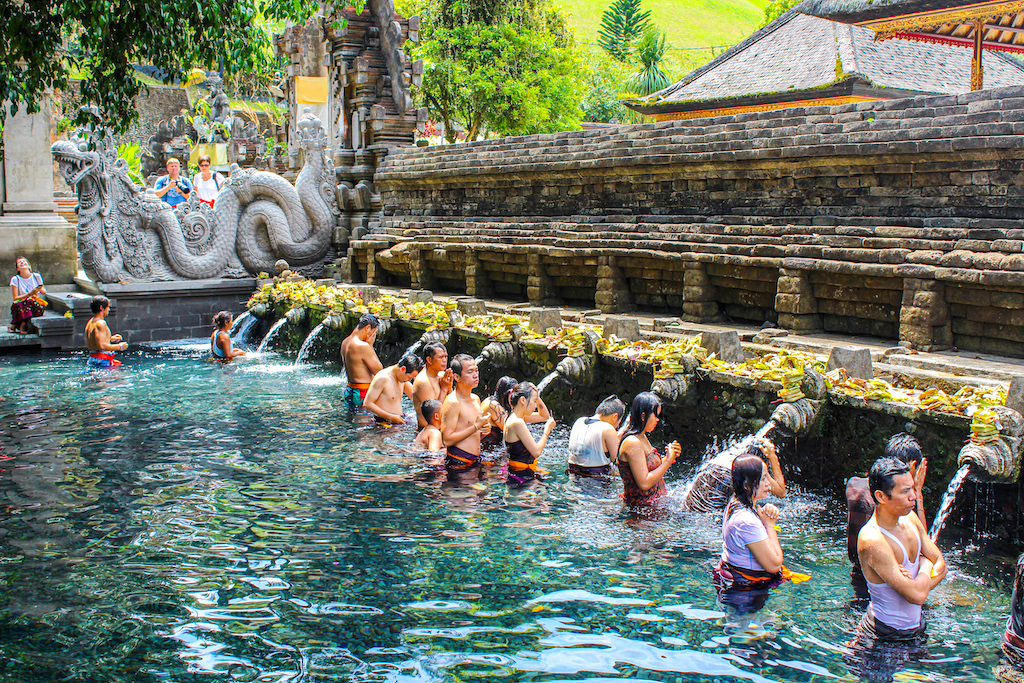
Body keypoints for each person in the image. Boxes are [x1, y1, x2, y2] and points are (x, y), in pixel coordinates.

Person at [848, 457, 946, 681]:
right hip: (882, 637)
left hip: (916, 629)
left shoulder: (910, 517)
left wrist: (920, 577)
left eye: (913, 488)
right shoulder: (872, 538)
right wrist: (925, 564)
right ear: (881, 496)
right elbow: (918, 593)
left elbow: (941, 564)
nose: (914, 496)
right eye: (905, 492)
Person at [848, 433, 928, 596]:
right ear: (912, 466)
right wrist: (917, 490)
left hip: (859, 573)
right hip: (887, 580)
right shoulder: (893, 504)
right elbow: (923, 545)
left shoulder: (854, 485)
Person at [713, 454, 786, 600]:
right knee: (748, 623)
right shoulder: (746, 521)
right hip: (745, 592)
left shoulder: (735, 503)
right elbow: (774, 565)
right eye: (763, 478)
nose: (769, 484)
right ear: (747, 484)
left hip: (737, 583)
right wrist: (770, 525)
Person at [683, 437, 785, 513]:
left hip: (689, 510)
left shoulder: (720, 462)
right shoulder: (749, 470)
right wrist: (772, 457)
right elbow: (781, 492)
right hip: (715, 518)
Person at [617, 392, 681, 508]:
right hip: (641, 511)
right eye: (656, 415)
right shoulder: (632, 442)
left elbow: (649, 468)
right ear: (643, 416)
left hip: (655, 505)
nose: (658, 420)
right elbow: (644, 483)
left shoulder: (643, 437)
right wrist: (668, 460)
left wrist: (670, 457)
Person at [440, 354, 490, 476]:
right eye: (470, 372)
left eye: (476, 370)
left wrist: (483, 431)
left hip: (475, 460)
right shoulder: (453, 402)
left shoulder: (476, 399)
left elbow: (472, 434)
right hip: (459, 462)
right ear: (456, 377)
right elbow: (446, 439)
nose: (475, 375)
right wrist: (476, 427)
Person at [504, 382, 556, 486]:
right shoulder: (517, 423)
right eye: (534, 401)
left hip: (521, 471)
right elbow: (536, 451)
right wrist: (547, 430)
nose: (536, 406)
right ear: (522, 400)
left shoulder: (515, 417)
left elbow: (544, 416)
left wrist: (537, 396)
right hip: (521, 475)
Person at [567, 395, 625, 477]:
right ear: (615, 416)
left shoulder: (579, 421)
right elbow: (617, 461)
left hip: (573, 475)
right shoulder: (607, 429)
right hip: (596, 481)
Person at [363, 354, 423, 425]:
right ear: (402, 369)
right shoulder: (382, 378)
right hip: (383, 422)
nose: (409, 380)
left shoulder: (402, 378)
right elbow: (367, 404)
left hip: (399, 419)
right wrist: (390, 417)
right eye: (409, 377)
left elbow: (415, 396)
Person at [341, 313, 383, 411]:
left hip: (350, 389)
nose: (373, 336)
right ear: (367, 328)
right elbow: (379, 371)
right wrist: (371, 346)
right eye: (374, 332)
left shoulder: (345, 342)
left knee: (352, 421)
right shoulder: (362, 346)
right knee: (364, 423)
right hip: (362, 391)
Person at [413, 341, 453, 429]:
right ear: (429, 360)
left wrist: (449, 388)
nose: (444, 360)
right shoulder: (423, 381)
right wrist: (444, 389)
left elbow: (453, 404)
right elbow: (434, 417)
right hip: (428, 431)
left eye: (446, 356)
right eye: (440, 357)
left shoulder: (442, 375)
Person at [85, 295, 127, 368]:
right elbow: (101, 345)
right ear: (101, 308)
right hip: (102, 360)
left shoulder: (90, 322)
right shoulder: (101, 323)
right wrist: (120, 346)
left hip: (93, 359)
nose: (109, 309)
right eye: (108, 307)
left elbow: (95, 341)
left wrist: (111, 338)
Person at [9, 257, 46, 334]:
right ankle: (22, 325)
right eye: (19, 262)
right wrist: (29, 294)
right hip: (21, 305)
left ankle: (17, 325)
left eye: (24, 261)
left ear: (29, 266)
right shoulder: (15, 279)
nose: (22, 262)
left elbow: (43, 292)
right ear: (17, 269)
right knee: (24, 302)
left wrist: (39, 289)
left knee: (29, 301)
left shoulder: (37, 276)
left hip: (36, 306)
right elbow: (15, 298)